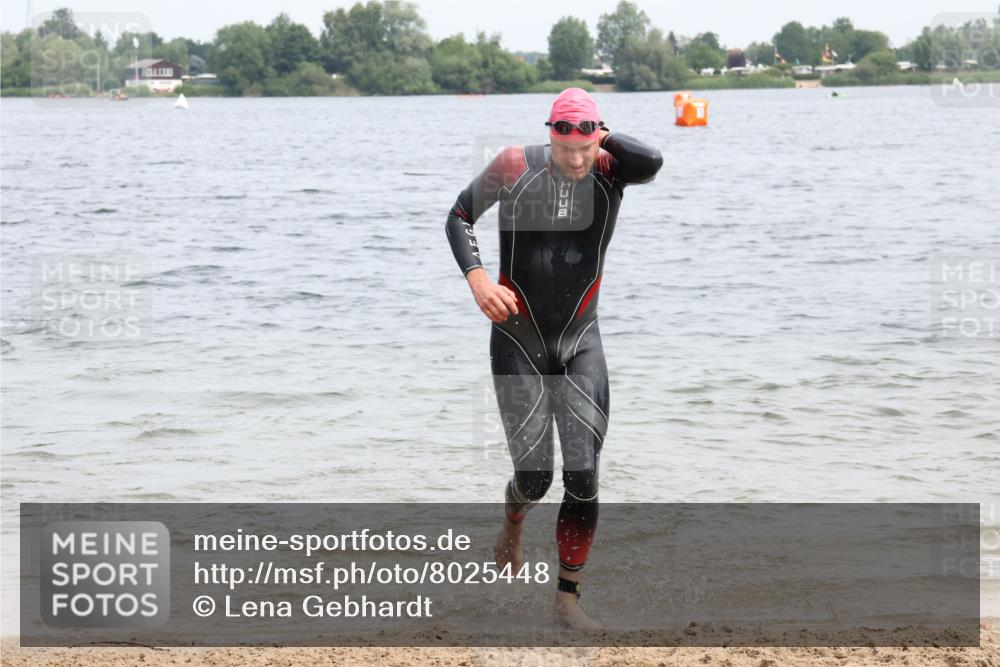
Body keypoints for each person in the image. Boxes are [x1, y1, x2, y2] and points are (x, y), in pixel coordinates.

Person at [444, 87, 663, 630]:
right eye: (565, 148)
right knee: (536, 476)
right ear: (551, 135)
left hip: (580, 339)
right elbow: (458, 215)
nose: (575, 161)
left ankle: (566, 600)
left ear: (595, 139)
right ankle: (514, 520)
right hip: (517, 337)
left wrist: (597, 130)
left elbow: (652, 160)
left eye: (584, 148)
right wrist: (477, 281)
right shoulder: (516, 166)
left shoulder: (612, 168)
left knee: (585, 476)